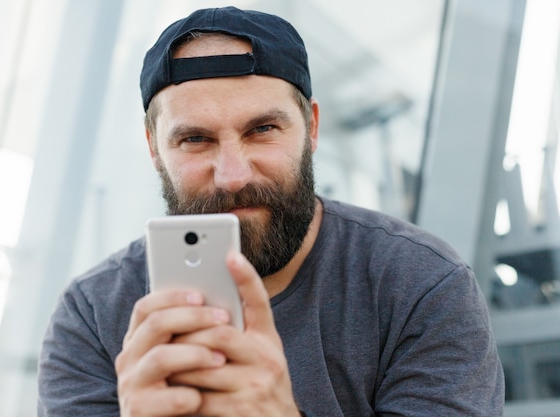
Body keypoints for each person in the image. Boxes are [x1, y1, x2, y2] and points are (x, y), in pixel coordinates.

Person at [37, 6, 504, 417]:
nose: (233, 175)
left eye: (262, 129)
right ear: (155, 151)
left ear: (312, 128)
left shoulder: (419, 284)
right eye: (195, 139)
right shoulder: (93, 316)